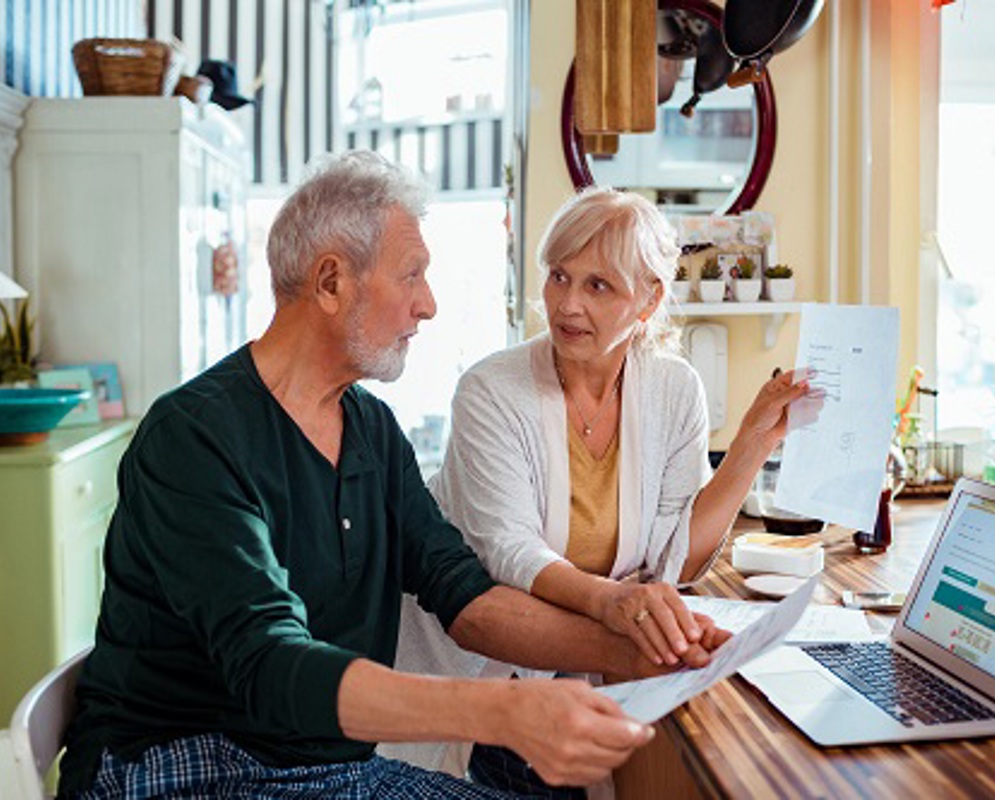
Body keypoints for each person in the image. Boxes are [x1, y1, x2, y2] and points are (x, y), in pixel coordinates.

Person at [57, 153, 729, 799]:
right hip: (185, 768)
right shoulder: (196, 436)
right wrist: (503, 709)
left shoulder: (372, 431)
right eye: (411, 276)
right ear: (330, 283)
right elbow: (268, 664)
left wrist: (639, 642)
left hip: (329, 771)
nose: (429, 304)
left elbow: (463, 594)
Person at [388, 187, 813, 796]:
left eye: (599, 286)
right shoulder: (490, 390)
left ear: (649, 299)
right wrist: (614, 603)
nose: (567, 305)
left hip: (575, 670)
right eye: (560, 276)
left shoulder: (673, 390)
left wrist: (751, 444)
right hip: (480, 671)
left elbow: (679, 558)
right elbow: (509, 552)